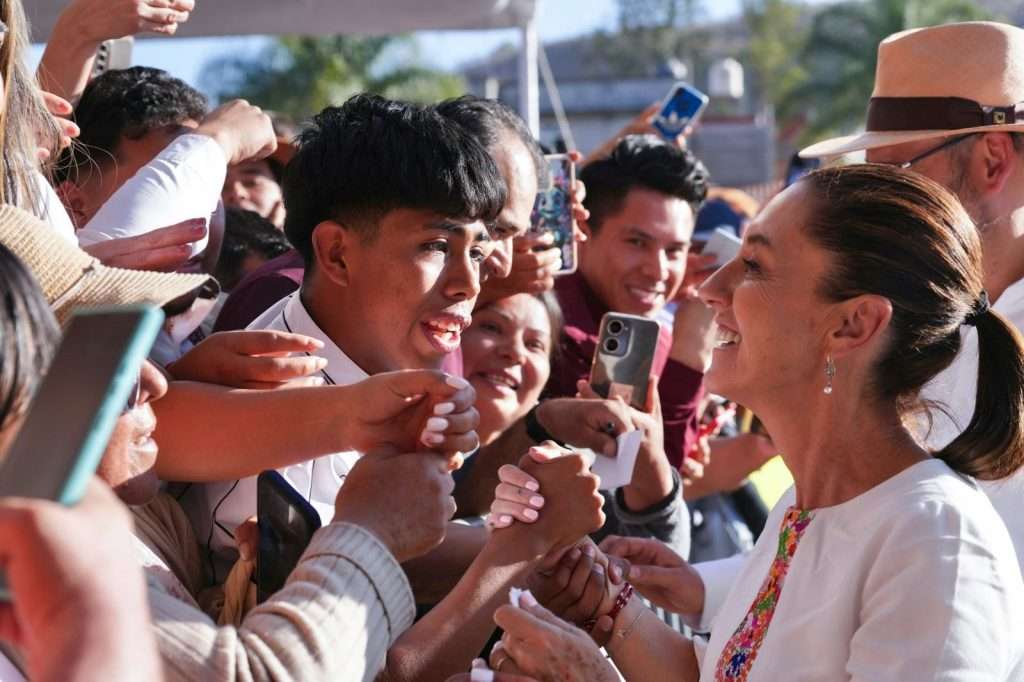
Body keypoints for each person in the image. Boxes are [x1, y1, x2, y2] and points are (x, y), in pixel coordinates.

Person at [479, 165, 1024, 681]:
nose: (709, 288)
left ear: (853, 324)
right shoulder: (804, 508)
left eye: (754, 266)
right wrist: (611, 607)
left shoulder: (935, 542)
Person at [800, 21, 1024, 572]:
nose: (882, 201)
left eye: (897, 173)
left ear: (993, 160)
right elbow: (862, 521)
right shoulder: (902, 314)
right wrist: (705, 587)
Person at [457, 135, 775, 517]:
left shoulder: (655, 335)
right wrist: (692, 343)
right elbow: (650, 477)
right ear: (584, 232)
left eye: (674, 251)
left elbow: (662, 479)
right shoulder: (545, 319)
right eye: (637, 242)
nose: (657, 270)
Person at [213, 94, 562, 333]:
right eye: (439, 244)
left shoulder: (435, 327)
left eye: (506, 236)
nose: (502, 262)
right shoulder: (284, 302)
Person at [464, 292, 688, 557]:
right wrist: (545, 421)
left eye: (534, 344)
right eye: (491, 327)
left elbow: (652, 575)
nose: (513, 353)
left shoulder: (572, 472)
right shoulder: (413, 438)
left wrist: (653, 472)